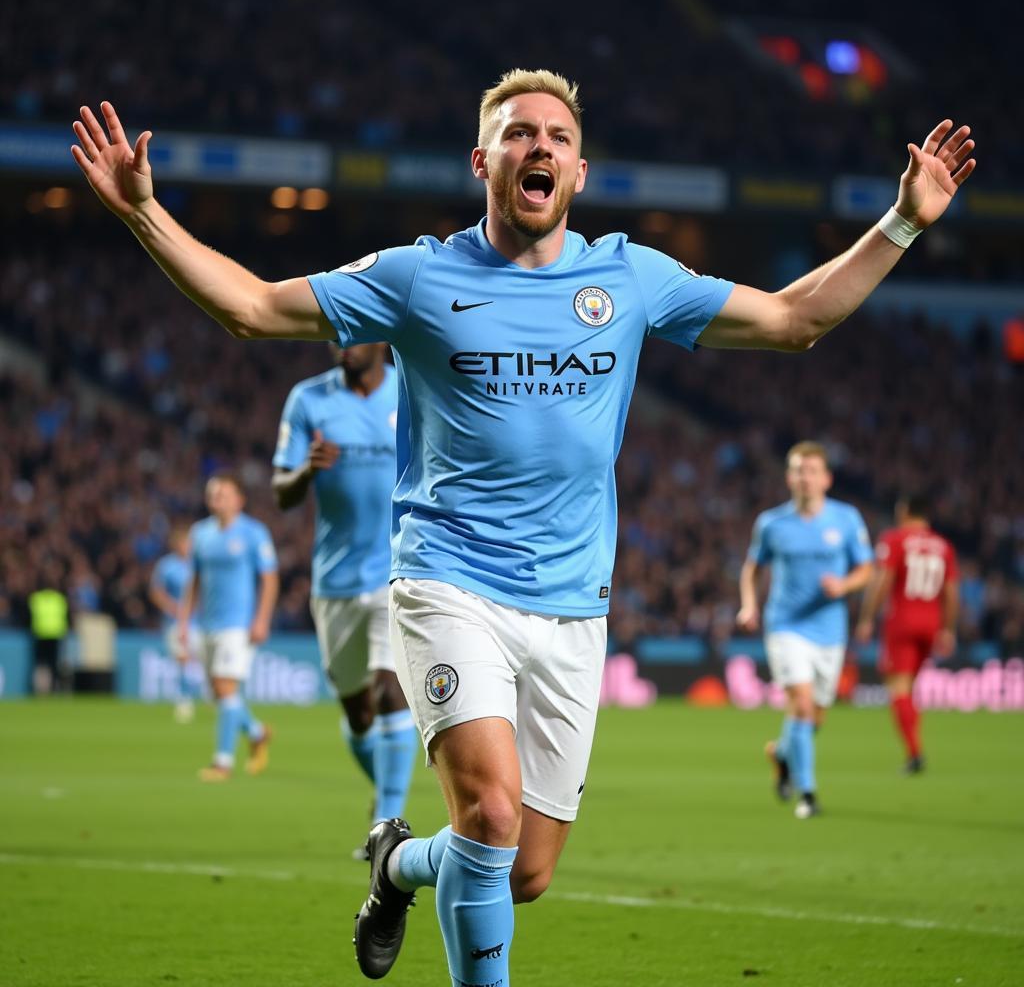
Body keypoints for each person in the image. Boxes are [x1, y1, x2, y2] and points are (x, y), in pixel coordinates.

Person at [72, 70, 975, 984]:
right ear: (484, 161)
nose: (538, 146)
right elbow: (253, 307)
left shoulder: (629, 278)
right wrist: (143, 212)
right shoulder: (418, 275)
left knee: (524, 870)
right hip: (446, 581)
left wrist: (901, 222)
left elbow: (794, 319)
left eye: (556, 137)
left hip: (573, 608)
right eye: (517, 134)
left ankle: (396, 863)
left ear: (579, 172)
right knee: (492, 820)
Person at [272, 343, 418, 852]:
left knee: (388, 691)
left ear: (379, 339)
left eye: (350, 335)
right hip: (334, 580)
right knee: (359, 715)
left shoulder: (413, 384)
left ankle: (387, 826)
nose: (339, 345)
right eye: (332, 336)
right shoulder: (309, 400)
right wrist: (307, 470)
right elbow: (281, 492)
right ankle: (384, 795)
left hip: (398, 569)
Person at [737, 442, 874, 818]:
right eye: (798, 470)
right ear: (789, 477)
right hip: (785, 626)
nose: (805, 477)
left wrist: (844, 587)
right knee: (799, 703)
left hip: (830, 630)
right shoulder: (771, 523)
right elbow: (751, 568)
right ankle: (808, 794)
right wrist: (750, 604)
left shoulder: (846, 519)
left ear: (826, 478)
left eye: (812, 470)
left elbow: (866, 569)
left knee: (814, 716)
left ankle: (782, 755)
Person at [180, 471, 279, 781]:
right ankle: (257, 731)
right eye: (212, 494)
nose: (216, 499)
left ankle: (222, 762)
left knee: (225, 688)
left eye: (222, 494)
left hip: (237, 624)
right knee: (217, 694)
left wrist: (261, 619)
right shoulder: (200, 533)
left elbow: (269, 579)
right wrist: (184, 620)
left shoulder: (254, 533)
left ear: (239, 499)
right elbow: (193, 580)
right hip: (207, 623)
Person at [854, 494, 959, 773]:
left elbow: (883, 581)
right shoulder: (943, 546)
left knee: (898, 689)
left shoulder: (895, 539)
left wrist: (866, 618)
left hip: (902, 622)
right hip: (931, 622)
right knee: (909, 689)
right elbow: (951, 592)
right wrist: (948, 629)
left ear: (905, 511)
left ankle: (914, 753)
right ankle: (914, 750)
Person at [149, 525, 202, 722]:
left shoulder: (198, 564)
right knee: (183, 660)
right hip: (175, 623)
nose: (186, 547)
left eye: (189, 543)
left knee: (205, 661)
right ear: (175, 545)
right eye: (183, 543)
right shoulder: (166, 565)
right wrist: (173, 607)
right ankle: (184, 700)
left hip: (200, 622)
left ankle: (213, 698)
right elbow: (156, 592)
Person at [28, 561, 69, 695]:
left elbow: (28, 616)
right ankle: (53, 689)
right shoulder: (60, 598)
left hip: (40, 634)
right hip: (55, 635)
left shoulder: (36, 598)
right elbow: (67, 617)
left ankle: (39, 690)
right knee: (53, 665)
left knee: (40, 665)